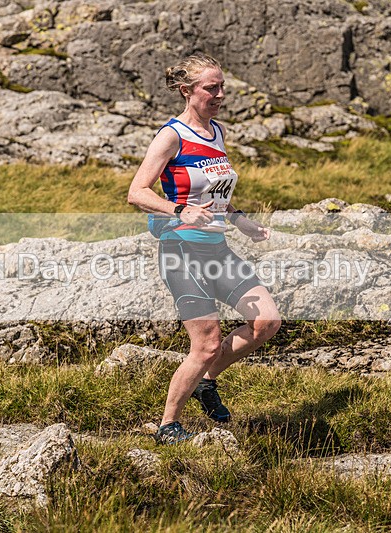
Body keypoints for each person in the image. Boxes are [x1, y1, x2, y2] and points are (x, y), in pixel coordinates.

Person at [127, 54, 281, 444]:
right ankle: (168, 426)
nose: (220, 94)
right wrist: (180, 210)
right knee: (207, 343)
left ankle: (206, 382)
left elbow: (217, 193)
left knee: (267, 322)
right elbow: (137, 192)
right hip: (181, 250)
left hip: (217, 248)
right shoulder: (171, 136)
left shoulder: (217, 132)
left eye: (222, 87)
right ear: (187, 90)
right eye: (212, 88)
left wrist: (240, 219)